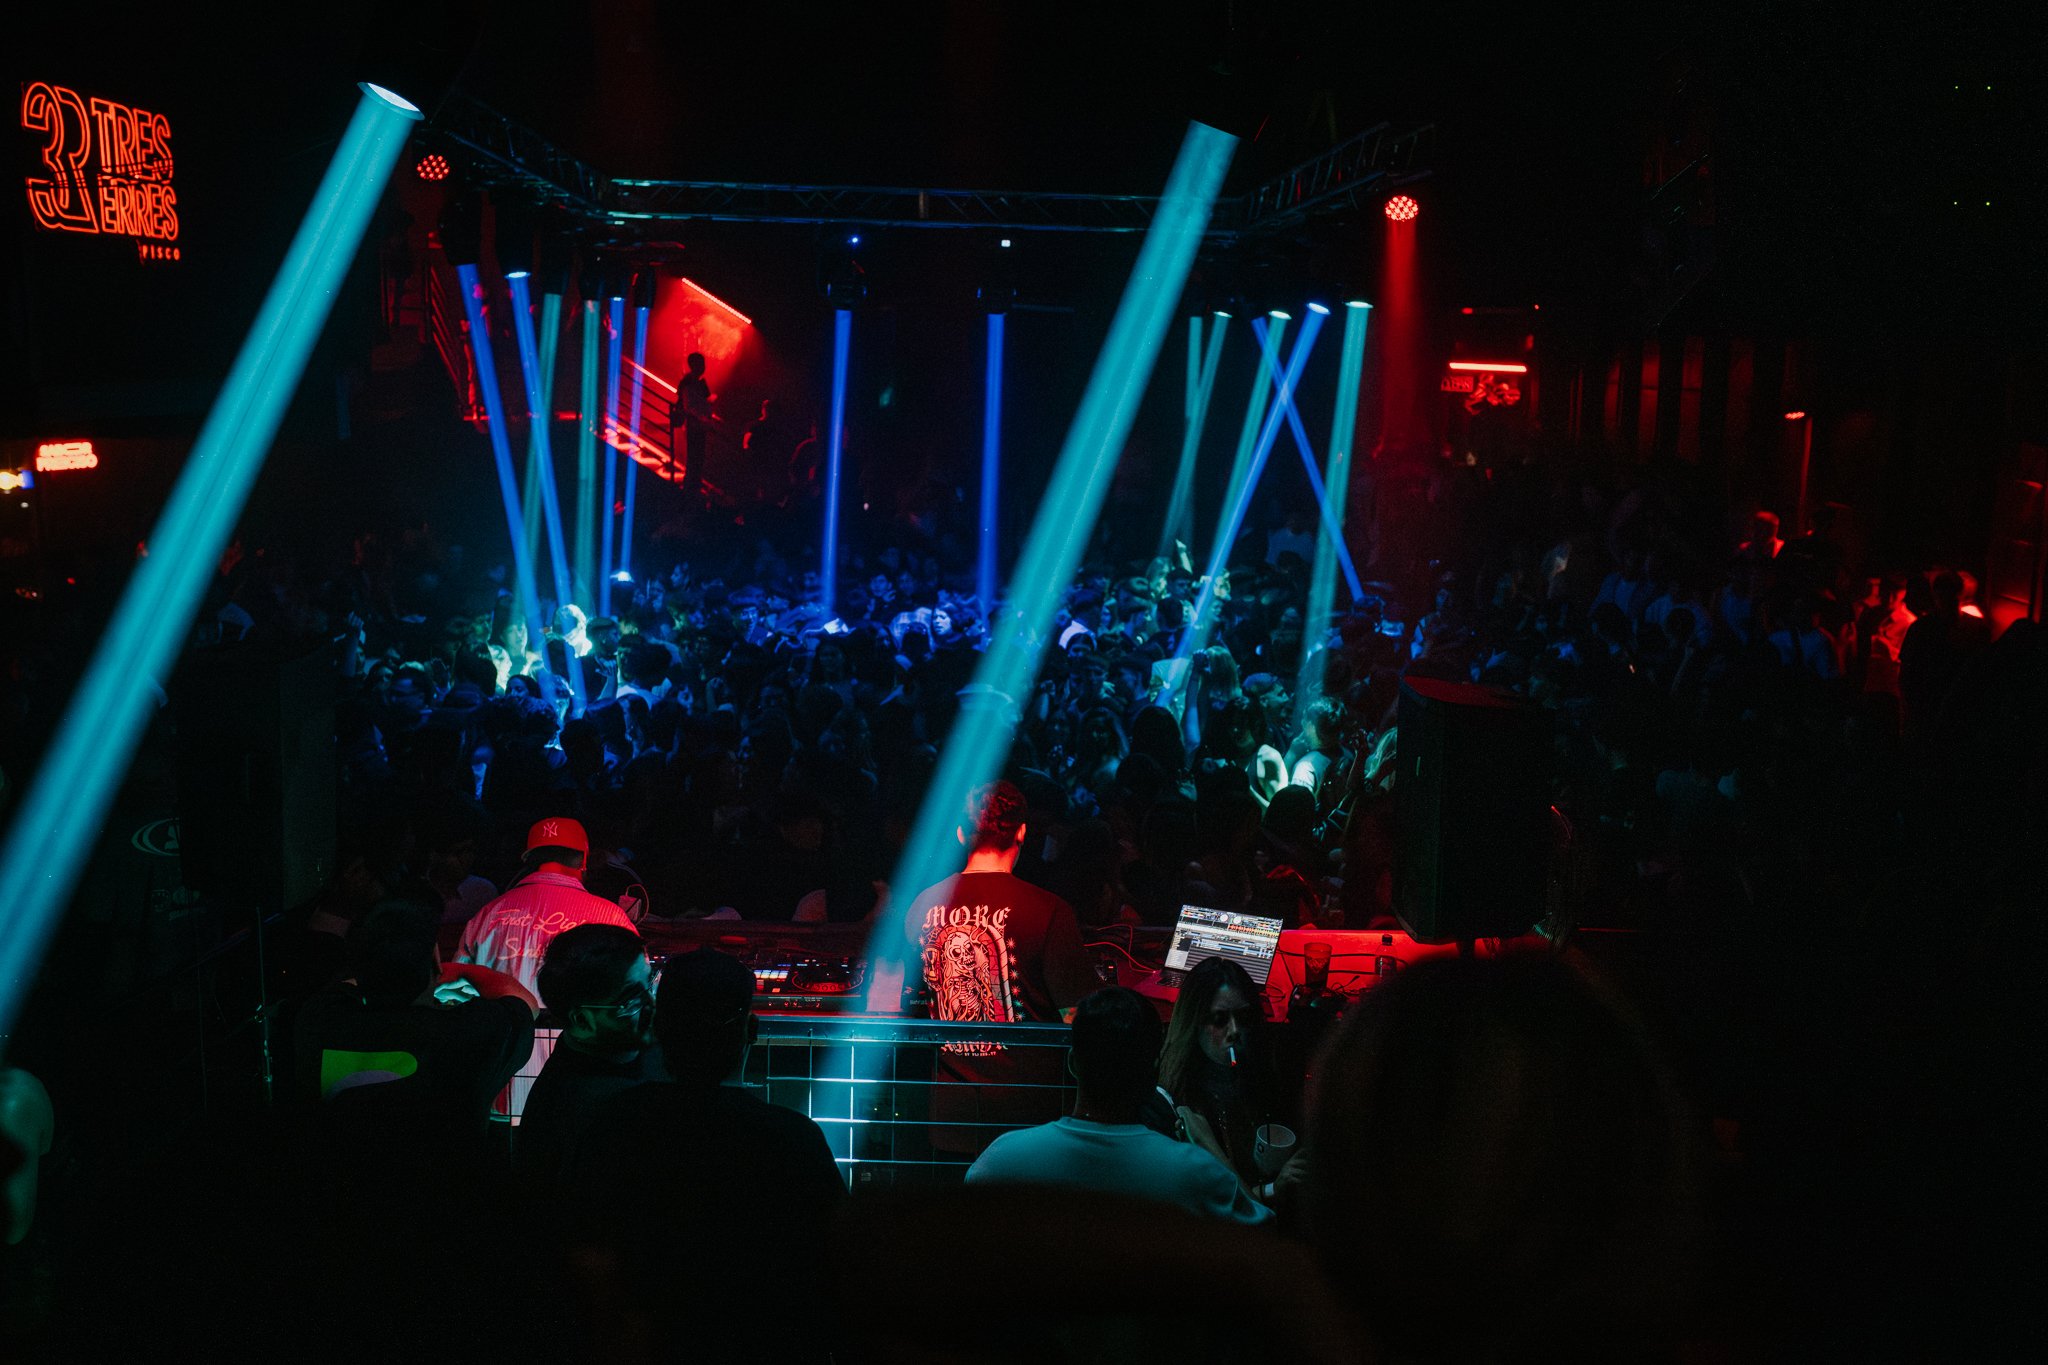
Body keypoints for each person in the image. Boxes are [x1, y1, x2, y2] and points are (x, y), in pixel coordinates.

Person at [566, 949, 843, 1359]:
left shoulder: (615, 1122)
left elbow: (588, 1249)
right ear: (750, 1029)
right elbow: (837, 1261)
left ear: (660, 1028)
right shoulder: (793, 1138)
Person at [902, 779, 1101, 1153]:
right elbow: (1082, 1017)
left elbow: (910, 998)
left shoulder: (921, 906)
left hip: (950, 1122)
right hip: (1031, 1124)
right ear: (1022, 832)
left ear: (961, 833)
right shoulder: (1048, 910)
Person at [967, 987, 1270, 1225]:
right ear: (1154, 1071)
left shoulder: (1002, 1161)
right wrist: (1210, 1148)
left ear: (1074, 1064)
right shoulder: (1194, 1172)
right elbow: (1265, 1230)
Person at [294, 900, 536, 1155]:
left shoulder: (319, 1019)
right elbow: (524, 1003)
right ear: (434, 957)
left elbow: (343, 987)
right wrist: (462, 971)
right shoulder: (467, 1032)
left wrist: (377, 965)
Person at [516, 924, 665, 1184]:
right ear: (583, 1021)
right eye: (630, 1000)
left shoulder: (636, 1049)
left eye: (650, 981)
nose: (652, 1004)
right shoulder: (579, 1113)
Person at [454, 816, 638, 1002]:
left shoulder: (488, 915)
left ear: (528, 861)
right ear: (583, 861)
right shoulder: (611, 917)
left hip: (504, 1029)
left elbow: (454, 986)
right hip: (580, 1029)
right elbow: (637, 986)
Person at [1152, 955, 1283, 1191]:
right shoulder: (1172, 1103)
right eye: (1219, 1019)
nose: (1234, 1031)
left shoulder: (1262, 1077)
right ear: (1194, 1022)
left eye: (1243, 1017)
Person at [672, 351, 717, 501]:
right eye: (701, 363)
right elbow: (690, 406)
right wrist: (704, 419)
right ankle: (690, 488)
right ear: (694, 365)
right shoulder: (689, 383)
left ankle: (692, 486)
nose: (704, 367)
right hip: (695, 426)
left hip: (699, 425)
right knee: (695, 458)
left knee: (697, 457)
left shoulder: (695, 382)